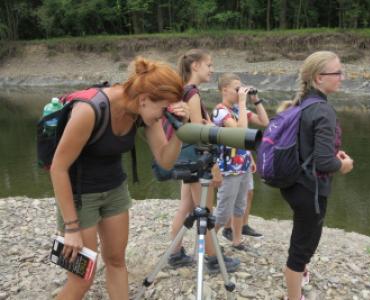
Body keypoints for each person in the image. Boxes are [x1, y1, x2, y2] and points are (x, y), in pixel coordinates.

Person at [51, 57, 190, 300]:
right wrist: (71, 227)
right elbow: (58, 168)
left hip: (115, 191)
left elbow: (165, 161)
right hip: (79, 197)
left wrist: (181, 129)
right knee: (82, 279)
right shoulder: (90, 110)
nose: (163, 116)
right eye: (163, 109)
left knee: (116, 261)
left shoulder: (142, 111)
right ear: (145, 98)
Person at [280, 51, 353, 300]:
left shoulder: (303, 104)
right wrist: (343, 165)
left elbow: (308, 147)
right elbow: (324, 162)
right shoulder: (323, 110)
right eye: (337, 72)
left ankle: (300, 274)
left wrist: (332, 153)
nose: (342, 77)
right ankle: (294, 294)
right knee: (302, 247)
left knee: (305, 237)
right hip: (309, 189)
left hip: (292, 184)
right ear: (319, 78)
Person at [168, 49, 240, 273]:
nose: (212, 69)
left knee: (185, 207)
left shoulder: (182, 90)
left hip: (185, 158)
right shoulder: (192, 93)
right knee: (205, 211)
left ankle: (175, 253)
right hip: (197, 161)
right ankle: (212, 259)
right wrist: (215, 164)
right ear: (195, 66)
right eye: (209, 65)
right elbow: (199, 136)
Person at [212, 73, 269, 250]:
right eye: (237, 89)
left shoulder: (239, 109)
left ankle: (237, 240)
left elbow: (264, 121)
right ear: (224, 90)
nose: (240, 92)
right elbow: (240, 133)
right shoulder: (220, 111)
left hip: (243, 164)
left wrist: (255, 100)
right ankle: (208, 243)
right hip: (228, 168)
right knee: (223, 213)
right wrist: (243, 103)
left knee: (240, 206)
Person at [222, 174, 264, 241]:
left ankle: (243, 226)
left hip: (246, 165)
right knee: (232, 192)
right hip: (232, 166)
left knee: (248, 192)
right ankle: (227, 228)